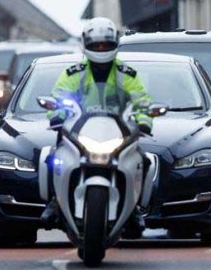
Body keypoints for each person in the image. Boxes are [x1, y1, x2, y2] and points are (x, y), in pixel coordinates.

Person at [41, 17, 152, 236]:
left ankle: (136, 207)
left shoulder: (126, 73)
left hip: (117, 129)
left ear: (115, 44)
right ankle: (55, 200)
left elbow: (142, 100)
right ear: (86, 44)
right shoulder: (74, 72)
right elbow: (60, 95)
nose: (101, 48)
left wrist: (144, 121)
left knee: (143, 160)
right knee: (53, 157)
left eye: (106, 44)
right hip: (81, 128)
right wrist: (57, 114)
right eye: (96, 44)